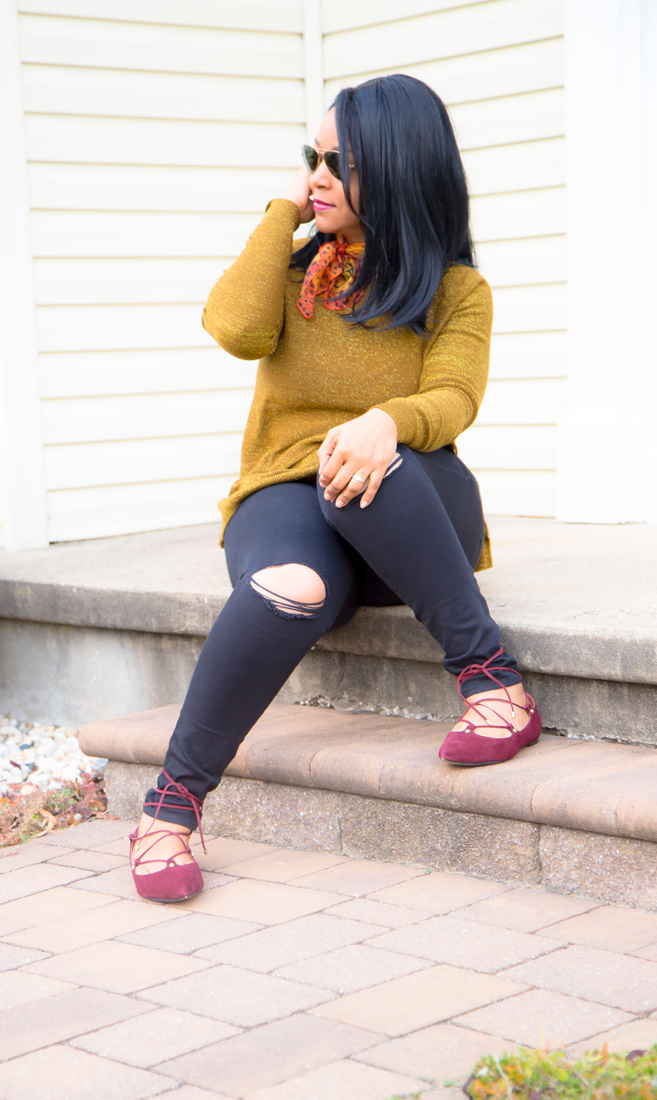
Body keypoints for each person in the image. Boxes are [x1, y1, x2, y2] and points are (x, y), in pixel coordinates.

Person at [128, 73, 541, 903]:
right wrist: (286, 212)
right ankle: (168, 810)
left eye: (337, 160)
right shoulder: (292, 271)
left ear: (394, 166)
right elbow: (234, 329)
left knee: (369, 466)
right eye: (309, 156)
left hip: (411, 499)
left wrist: (384, 421)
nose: (315, 174)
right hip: (289, 491)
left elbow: (455, 398)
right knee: (290, 584)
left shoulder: (457, 291)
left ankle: (493, 681)